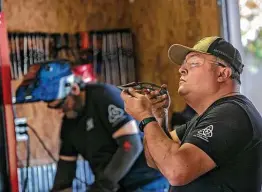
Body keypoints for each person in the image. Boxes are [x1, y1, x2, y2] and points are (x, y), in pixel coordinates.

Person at [120, 36, 262, 192]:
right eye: (183, 65)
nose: (181, 69)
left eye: (194, 63)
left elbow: (176, 171)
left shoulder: (232, 114)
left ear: (222, 74)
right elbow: (156, 161)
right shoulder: (208, 117)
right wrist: (157, 117)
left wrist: (145, 118)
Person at [15, 60, 169, 192]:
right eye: (53, 107)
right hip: (116, 184)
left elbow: (131, 146)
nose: (60, 111)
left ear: (74, 89)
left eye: (61, 104)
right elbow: (65, 168)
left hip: (146, 182)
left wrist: (103, 185)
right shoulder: (70, 123)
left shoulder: (103, 97)